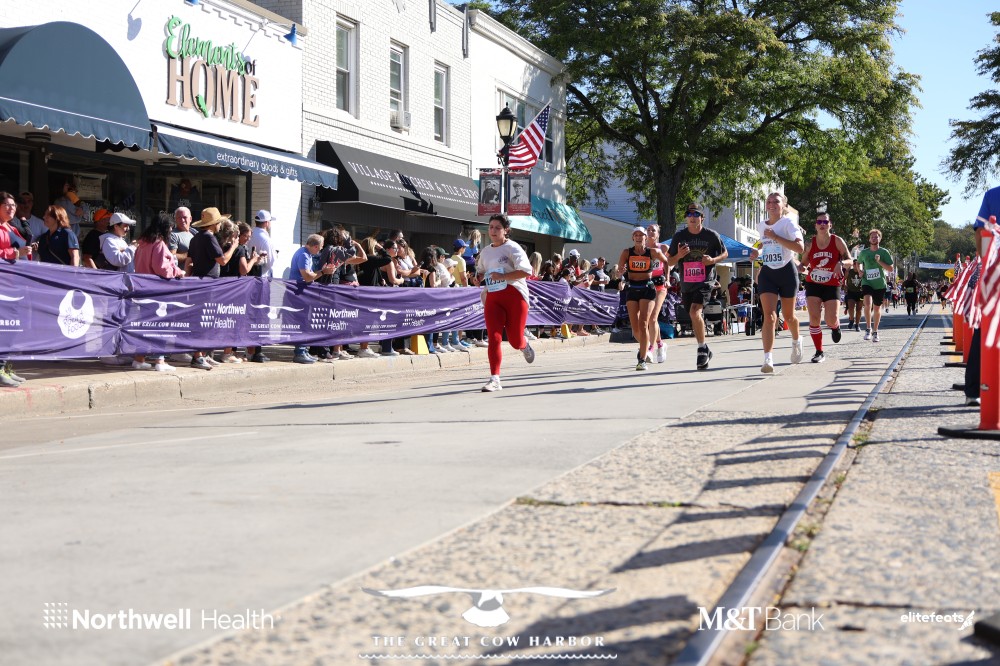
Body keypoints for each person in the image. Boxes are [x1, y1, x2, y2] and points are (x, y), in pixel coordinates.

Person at [475, 213, 536, 392]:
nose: (493, 231)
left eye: (497, 228)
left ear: (506, 230)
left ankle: (524, 344)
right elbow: (481, 271)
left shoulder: (513, 248)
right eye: (491, 227)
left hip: (515, 296)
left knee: (515, 341)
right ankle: (495, 379)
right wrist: (478, 278)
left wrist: (503, 276)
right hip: (493, 297)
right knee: (494, 337)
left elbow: (527, 271)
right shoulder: (485, 252)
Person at [666, 203, 728, 370]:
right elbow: (669, 261)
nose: (692, 217)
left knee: (695, 311)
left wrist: (712, 260)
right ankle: (705, 348)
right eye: (689, 214)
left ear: (702, 218)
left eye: (696, 214)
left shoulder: (711, 235)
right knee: (693, 315)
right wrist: (679, 255)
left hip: (705, 281)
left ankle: (701, 349)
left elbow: (725, 253)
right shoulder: (679, 236)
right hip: (687, 284)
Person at [749, 192, 804, 373]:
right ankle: (768, 359)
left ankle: (796, 341)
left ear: (783, 205)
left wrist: (776, 237)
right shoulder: (761, 225)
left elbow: (800, 248)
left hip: (787, 272)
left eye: (776, 201)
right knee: (770, 316)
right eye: (769, 201)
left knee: (789, 316)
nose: (772, 204)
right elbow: (762, 243)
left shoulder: (789, 223)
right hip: (768, 273)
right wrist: (756, 252)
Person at [132, 213, 184, 372]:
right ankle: (160, 360)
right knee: (160, 326)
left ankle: (139, 359)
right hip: (157, 291)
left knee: (145, 326)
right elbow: (162, 268)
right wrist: (177, 271)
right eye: (170, 227)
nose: (171, 230)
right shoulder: (159, 244)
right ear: (164, 228)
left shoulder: (142, 244)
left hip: (143, 289)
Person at [619, 225, 670, 371]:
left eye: (641, 235)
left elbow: (666, 262)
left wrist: (667, 278)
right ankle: (646, 347)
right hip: (632, 288)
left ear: (645, 238)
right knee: (635, 329)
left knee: (644, 323)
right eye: (636, 235)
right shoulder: (626, 252)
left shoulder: (653, 252)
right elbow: (619, 271)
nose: (639, 237)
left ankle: (642, 359)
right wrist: (620, 274)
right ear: (632, 238)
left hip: (647, 288)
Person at [802, 212, 851, 363]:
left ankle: (835, 327)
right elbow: (803, 263)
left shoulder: (837, 241)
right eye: (819, 222)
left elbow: (850, 260)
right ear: (815, 225)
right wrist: (798, 267)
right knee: (814, 318)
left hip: (832, 283)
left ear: (830, 224)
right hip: (813, 283)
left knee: (830, 319)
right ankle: (819, 351)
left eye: (825, 222)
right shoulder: (810, 243)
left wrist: (841, 263)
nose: (822, 224)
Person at [0, 191, 30, 387]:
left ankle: (6, 367)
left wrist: (26, 253)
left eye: (13, 205)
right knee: (4, 328)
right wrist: (15, 252)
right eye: (7, 205)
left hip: (13, 283)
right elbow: (9, 253)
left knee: (12, 327)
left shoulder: (11, 227)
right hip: (2, 285)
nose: (11, 208)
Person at [290, 234, 335, 364]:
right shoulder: (304, 255)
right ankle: (299, 352)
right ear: (315, 246)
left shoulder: (306, 254)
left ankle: (303, 350)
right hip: (299, 293)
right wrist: (323, 272)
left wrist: (322, 271)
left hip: (302, 292)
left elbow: (309, 275)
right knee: (303, 322)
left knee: (306, 321)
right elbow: (307, 277)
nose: (320, 250)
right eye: (320, 247)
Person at [857, 228, 893, 342]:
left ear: (879, 239)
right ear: (869, 239)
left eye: (876, 237)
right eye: (872, 237)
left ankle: (875, 331)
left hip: (879, 284)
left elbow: (890, 269)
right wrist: (860, 270)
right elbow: (859, 263)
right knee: (867, 304)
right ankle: (868, 329)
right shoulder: (864, 252)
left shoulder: (884, 252)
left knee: (877, 308)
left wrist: (879, 262)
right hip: (867, 281)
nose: (874, 238)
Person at [644, 225, 670, 363]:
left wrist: (668, 278)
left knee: (653, 317)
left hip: (660, 285)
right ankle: (661, 344)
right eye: (648, 230)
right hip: (647, 285)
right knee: (650, 319)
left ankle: (651, 349)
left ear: (658, 234)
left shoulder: (663, 248)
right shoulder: (642, 249)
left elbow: (668, 263)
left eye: (653, 230)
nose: (650, 232)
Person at [249, 209, 276, 277]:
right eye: (270, 220)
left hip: (249, 275)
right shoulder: (266, 239)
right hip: (262, 276)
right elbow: (270, 262)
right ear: (266, 223)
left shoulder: (249, 234)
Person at [844, 260, 863, 331]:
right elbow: (844, 279)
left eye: (858, 264)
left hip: (860, 293)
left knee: (859, 309)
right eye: (854, 264)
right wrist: (844, 286)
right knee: (851, 307)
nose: (856, 265)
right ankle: (851, 320)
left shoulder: (862, 272)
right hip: (851, 292)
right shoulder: (849, 271)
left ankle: (857, 325)